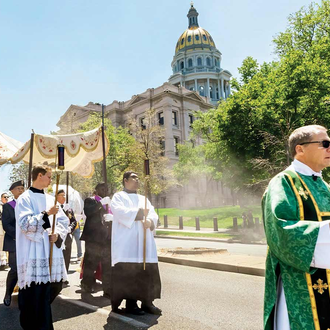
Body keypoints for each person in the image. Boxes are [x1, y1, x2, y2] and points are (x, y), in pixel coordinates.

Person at [263, 125, 330, 330]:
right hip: (301, 283)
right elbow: (282, 232)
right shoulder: (283, 183)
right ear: (300, 149)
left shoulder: (324, 186)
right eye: (325, 144)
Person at [15, 164, 69, 330]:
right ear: (39, 175)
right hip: (33, 252)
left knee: (53, 287)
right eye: (49, 176)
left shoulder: (50, 198)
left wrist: (57, 234)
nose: (51, 180)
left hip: (50, 251)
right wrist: (46, 215)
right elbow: (25, 224)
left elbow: (63, 221)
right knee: (35, 294)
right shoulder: (24, 198)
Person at [110, 171, 161, 315]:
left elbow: (152, 213)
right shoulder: (119, 196)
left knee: (146, 272)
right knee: (130, 274)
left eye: (138, 178)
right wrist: (139, 214)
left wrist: (150, 221)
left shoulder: (143, 198)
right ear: (125, 180)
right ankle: (131, 304)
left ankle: (147, 302)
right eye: (134, 177)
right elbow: (119, 212)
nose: (137, 180)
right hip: (128, 244)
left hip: (145, 241)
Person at [80, 183, 112, 298]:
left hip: (107, 238)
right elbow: (89, 212)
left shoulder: (109, 203)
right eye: (102, 189)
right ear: (96, 190)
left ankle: (107, 288)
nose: (104, 191)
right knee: (91, 263)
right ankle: (86, 285)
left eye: (106, 189)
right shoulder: (90, 200)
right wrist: (100, 204)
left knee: (107, 264)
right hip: (94, 238)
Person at [2, 180, 24, 306]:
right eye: (18, 189)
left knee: (25, 269)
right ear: (12, 191)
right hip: (14, 241)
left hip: (26, 242)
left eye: (22, 188)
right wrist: (18, 235)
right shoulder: (8, 206)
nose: (21, 191)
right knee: (15, 269)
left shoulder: (27, 204)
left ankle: (23, 294)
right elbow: (6, 225)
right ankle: (8, 293)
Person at [56, 189, 77, 277]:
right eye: (61, 195)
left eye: (64, 195)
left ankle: (65, 275)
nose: (64, 197)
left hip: (67, 235)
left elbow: (74, 221)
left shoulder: (68, 208)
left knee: (67, 255)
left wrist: (70, 228)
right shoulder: (55, 207)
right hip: (58, 235)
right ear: (57, 196)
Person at [0, 192, 9, 269]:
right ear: (1, 198)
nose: (6, 198)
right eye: (4, 197)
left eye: (7, 197)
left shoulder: (10, 206)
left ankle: (4, 262)